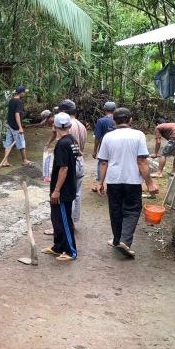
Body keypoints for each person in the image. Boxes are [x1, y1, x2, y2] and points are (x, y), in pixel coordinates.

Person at [97, 107, 159, 258]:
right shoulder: (138, 135)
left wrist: (100, 182)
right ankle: (124, 241)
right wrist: (150, 183)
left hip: (113, 181)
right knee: (132, 210)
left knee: (115, 210)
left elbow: (103, 162)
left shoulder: (108, 137)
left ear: (114, 120)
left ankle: (118, 240)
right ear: (131, 120)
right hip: (132, 180)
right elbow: (142, 161)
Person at [44, 99, 86, 233]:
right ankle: (72, 223)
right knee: (76, 194)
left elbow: (64, 160)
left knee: (64, 196)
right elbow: (79, 148)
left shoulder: (66, 128)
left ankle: (63, 225)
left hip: (68, 165)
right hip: (80, 162)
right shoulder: (81, 126)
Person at [41, 113, 79, 261]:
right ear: (69, 126)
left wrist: (57, 190)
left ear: (54, 126)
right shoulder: (72, 140)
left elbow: (64, 168)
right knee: (56, 218)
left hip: (63, 189)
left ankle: (70, 251)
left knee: (64, 219)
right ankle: (58, 246)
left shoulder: (62, 144)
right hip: (64, 186)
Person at [1, 85, 33, 167]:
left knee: (8, 143)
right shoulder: (19, 102)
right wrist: (20, 127)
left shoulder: (11, 100)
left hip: (9, 124)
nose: (24, 94)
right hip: (15, 126)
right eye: (24, 92)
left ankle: (5, 161)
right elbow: (17, 114)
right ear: (21, 93)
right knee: (21, 142)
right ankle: (25, 160)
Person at [92, 101, 117, 191]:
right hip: (117, 148)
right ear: (115, 110)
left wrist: (95, 150)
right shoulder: (118, 120)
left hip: (104, 147)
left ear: (105, 110)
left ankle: (100, 184)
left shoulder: (101, 121)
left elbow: (97, 137)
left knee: (102, 164)